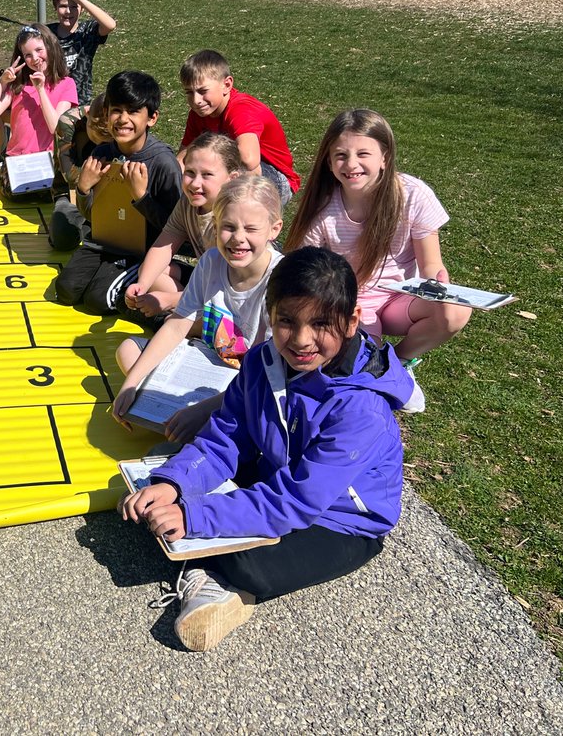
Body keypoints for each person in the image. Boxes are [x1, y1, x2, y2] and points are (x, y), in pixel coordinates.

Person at [120, 246, 410, 651]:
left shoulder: (361, 408)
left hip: (341, 521)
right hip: (280, 474)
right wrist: (174, 485)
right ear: (269, 314)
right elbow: (225, 436)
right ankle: (204, 553)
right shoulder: (261, 361)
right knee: (164, 476)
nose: (303, 339)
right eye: (287, 321)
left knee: (243, 561)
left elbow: (297, 500)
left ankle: (220, 588)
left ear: (351, 322)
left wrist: (193, 513)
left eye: (321, 323)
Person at [284, 108, 471, 410]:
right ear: (328, 162)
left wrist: (439, 285)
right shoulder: (323, 209)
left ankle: (397, 364)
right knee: (354, 368)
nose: (352, 164)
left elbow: (432, 266)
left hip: (402, 299)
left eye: (363, 154)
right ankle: (377, 368)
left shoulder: (413, 194)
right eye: (341, 155)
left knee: (455, 310)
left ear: (385, 156)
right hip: (350, 304)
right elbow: (304, 271)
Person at [112, 176, 283, 440]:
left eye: (251, 229)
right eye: (228, 227)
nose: (238, 239)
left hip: (252, 381)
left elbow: (264, 371)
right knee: (128, 351)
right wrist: (131, 385)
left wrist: (204, 409)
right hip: (212, 363)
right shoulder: (211, 260)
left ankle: (193, 420)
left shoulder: (280, 280)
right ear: (215, 225)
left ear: (274, 229)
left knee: (255, 412)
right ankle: (187, 419)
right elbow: (177, 324)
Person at [53, 70, 179, 315]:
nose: (123, 119)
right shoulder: (101, 153)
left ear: (152, 118)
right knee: (66, 290)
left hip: (140, 251)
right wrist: (83, 188)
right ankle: (107, 275)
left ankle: (149, 300)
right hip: (101, 243)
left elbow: (175, 227)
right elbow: (92, 216)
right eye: (116, 110)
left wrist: (141, 198)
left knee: (98, 300)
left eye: (133, 111)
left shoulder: (163, 162)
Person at [122, 133, 244, 318]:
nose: (195, 184)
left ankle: (182, 315)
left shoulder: (236, 217)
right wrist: (142, 285)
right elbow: (164, 244)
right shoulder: (188, 203)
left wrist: (169, 300)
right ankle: (184, 314)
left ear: (232, 178)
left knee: (175, 315)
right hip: (209, 282)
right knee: (152, 271)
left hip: (237, 297)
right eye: (190, 173)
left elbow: (228, 288)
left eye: (207, 175)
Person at [179, 49, 300, 208]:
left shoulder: (241, 109)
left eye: (203, 91)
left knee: (214, 180)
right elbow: (183, 157)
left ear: (227, 85)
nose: (196, 100)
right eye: (189, 93)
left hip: (275, 176)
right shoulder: (197, 114)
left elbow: (249, 160)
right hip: (235, 170)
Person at [0, 23, 78, 161]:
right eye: (28, 55)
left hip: (48, 158)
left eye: (39, 50)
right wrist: (2, 82)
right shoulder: (18, 85)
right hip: (16, 158)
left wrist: (40, 90)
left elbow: (55, 128)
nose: (35, 58)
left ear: (50, 47)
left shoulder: (66, 84)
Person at [48, 96, 111, 250]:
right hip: (71, 194)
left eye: (106, 139)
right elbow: (70, 175)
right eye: (95, 134)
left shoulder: (121, 125)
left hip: (110, 193)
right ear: (87, 115)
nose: (99, 143)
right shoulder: (69, 121)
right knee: (63, 235)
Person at [52, 0, 116, 109]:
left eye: (74, 6)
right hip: (52, 101)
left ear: (81, 8)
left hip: (80, 105)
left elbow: (110, 25)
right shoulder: (47, 34)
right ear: (55, 7)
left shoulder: (87, 31)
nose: (68, 11)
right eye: (63, 6)